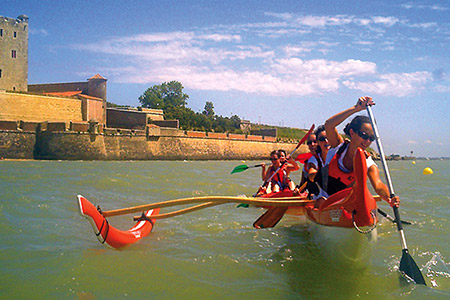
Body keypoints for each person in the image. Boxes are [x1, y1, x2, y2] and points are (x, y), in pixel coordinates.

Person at [315, 96, 400, 208]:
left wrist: (389, 197)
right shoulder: (338, 146)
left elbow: (378, 185)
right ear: (352, 132)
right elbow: (329, 125)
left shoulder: (369, 164)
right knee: (321, 200)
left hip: (344, 204)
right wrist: (356, 108)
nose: (367, 141)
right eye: (364, 136)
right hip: (322, 200)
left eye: (371, 138)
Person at [304, 125, 330, 196]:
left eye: (328, 138)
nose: (326, 141)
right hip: (320, 198)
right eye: (322, 139)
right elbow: (311, 175)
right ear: (318, 142)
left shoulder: (339, 154)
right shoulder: (313, 159)